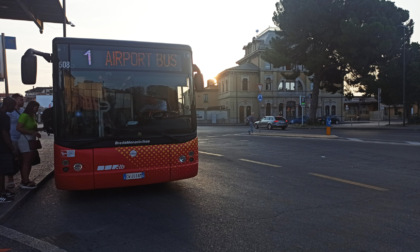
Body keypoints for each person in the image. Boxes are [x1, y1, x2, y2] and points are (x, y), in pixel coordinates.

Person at [16, 100, 41, 189]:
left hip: (31, 139)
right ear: (31, 107)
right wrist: (32, 132)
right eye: (36, 107)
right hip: (24, 140)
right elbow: (18, 128)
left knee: (29, 161)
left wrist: (37, 132)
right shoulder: (24, 116)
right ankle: (25, 181)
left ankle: (26, 179)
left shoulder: (32, 116)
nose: (37, 109)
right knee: (26, 161)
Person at [0, 97, 18, 203]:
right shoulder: (4, 117)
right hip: (2, 147)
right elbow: (5, 133)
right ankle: (1, 194)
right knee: (2, 171)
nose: (14, 108)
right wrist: (12, 147)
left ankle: (3, 190)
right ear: (8, 105)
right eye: (13, 105)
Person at [6, 93, 24, 189]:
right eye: (20, 99)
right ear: (15, 100)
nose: (23, 101)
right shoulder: (8, 112)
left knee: (22, 159)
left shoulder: (22, 111)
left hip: (22, 139)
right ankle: (10, 179)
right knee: (12, 159)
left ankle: (23, 178)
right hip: (12, 138)